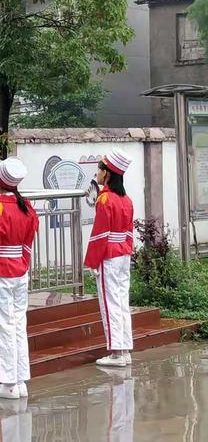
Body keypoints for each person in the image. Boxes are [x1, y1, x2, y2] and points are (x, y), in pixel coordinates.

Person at [0, 158, 39, 399]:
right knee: (18, 324)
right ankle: (20, 380)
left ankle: (8, 382)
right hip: (20, 271)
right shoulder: (27, 207)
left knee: (3, 326)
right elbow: (28, 244)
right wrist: (23, 265)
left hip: (1, 273)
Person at [84, 148, 134, 367]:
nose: (97, 173)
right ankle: (125, 350)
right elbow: (129, 232)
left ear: (108, 173)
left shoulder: (105, 200)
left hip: (109, 256)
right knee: (122, 302)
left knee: (110, 303)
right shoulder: (126, 199)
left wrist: (92, 261)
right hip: (123, 254)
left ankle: (116, 353)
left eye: (100, 169)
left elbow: (100, 234)